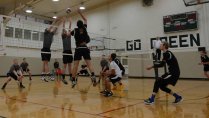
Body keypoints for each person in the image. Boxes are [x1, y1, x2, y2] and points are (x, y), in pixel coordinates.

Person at [70, 9, 96, 87]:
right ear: (82, 24)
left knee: (75, 65)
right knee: (89, 64)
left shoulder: (74, 30)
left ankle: (73, 80)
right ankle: (93, 76)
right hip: (85, 48)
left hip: (78, 49)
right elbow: (85, 19)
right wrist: (80, 12)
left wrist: (69, 26)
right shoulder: (84, 28)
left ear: (77, 25)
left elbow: (68, 34)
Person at [41, 18, 61, 82]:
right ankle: (49, 76)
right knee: (46, 63)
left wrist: (59, 22)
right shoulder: (46, 33)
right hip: (44, 49)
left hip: (48, 50)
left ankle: (43, 76)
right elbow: (51, 27)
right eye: (47, 29)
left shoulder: (51, 34)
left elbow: (55, 28)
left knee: (44, 63)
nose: (49, 29)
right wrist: (55, 20)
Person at [61, 17, 73, 81]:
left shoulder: (69, 36)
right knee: (65, 65)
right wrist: (63, 23)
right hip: (65, 52)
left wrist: (70, 22)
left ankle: (70, 77)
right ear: (64, 33)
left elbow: (70, 29)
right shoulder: (63, 37)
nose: (66, 31)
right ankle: (63, 77)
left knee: (70, 66)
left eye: (66, 31)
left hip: (69, 52)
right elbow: (63, 29)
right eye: (65, 31)